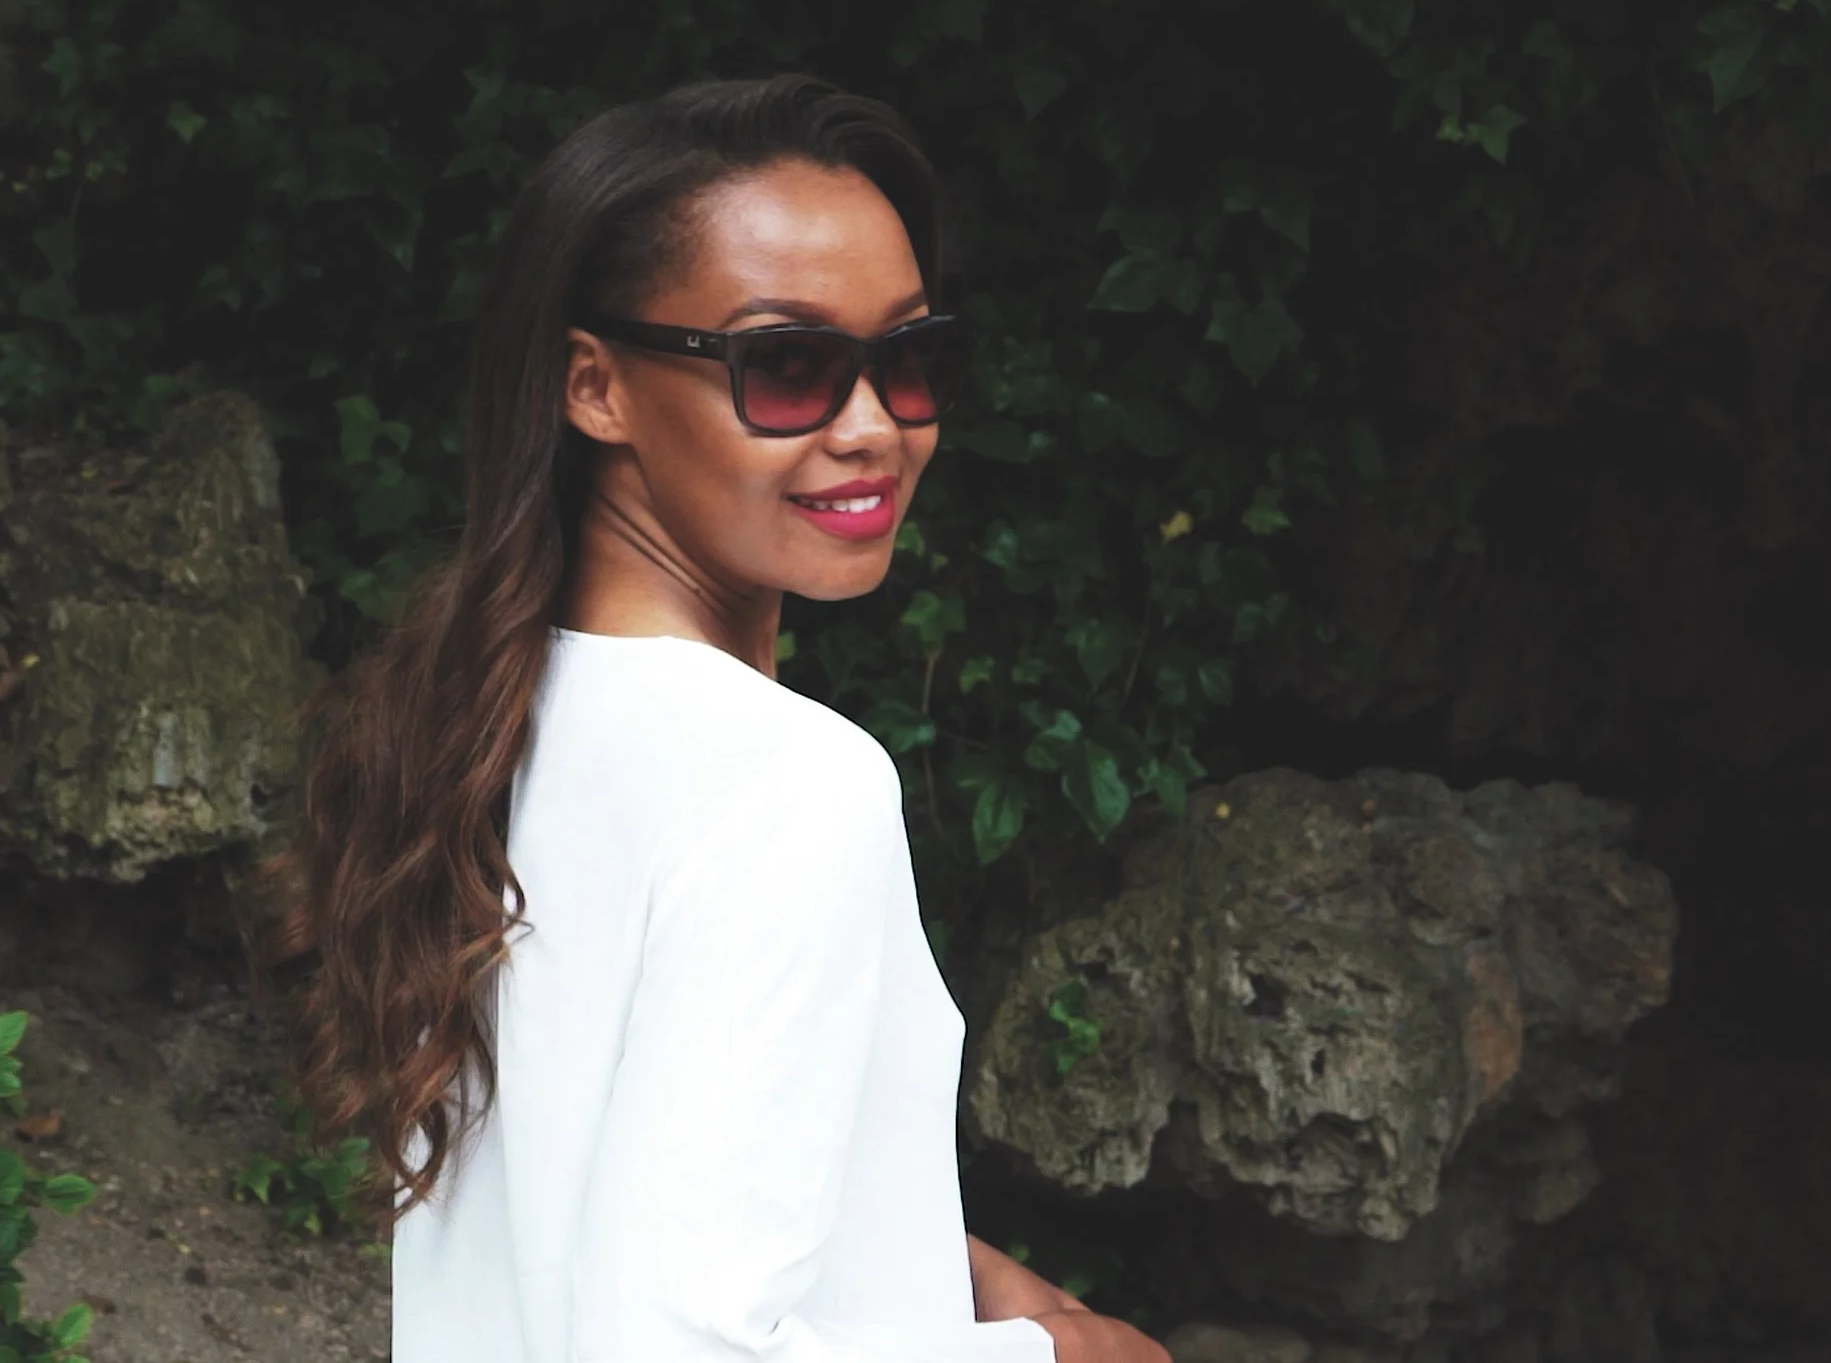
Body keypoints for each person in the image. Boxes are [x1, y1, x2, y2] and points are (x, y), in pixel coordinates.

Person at [243, 73, 1171, 1363]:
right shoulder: (786, 783)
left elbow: (591, 1212)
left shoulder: (482, 735)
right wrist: (1073, 1360)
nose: (872, 428)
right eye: (785, 366)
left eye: (910, 359)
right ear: (594, 387)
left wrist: (948, 1270)